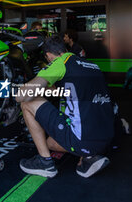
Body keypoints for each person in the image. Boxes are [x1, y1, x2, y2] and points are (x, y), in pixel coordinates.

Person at [15, 36, 115, 178]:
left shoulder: (60, 63)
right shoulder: (91, 65)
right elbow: (64, 91)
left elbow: (22, 95)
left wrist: (8, 88)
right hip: (106, 139)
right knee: (50, 143)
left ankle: (45, 163)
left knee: (27, 102)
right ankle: (89, 155)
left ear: (49, 56)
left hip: (82, 139)